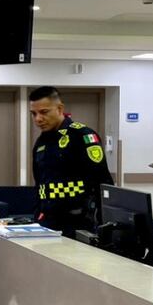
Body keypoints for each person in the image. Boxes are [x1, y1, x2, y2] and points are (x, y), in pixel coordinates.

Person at [29, 86, 114, 237]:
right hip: (47, 222)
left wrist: (105, 225)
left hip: (79, 223)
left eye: (44, 112)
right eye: (33, 114)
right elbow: (39, 184)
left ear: (60, 108)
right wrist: (37, 216)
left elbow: (102, 181)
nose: (38, 119)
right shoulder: (41, 142)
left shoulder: (81, 135)